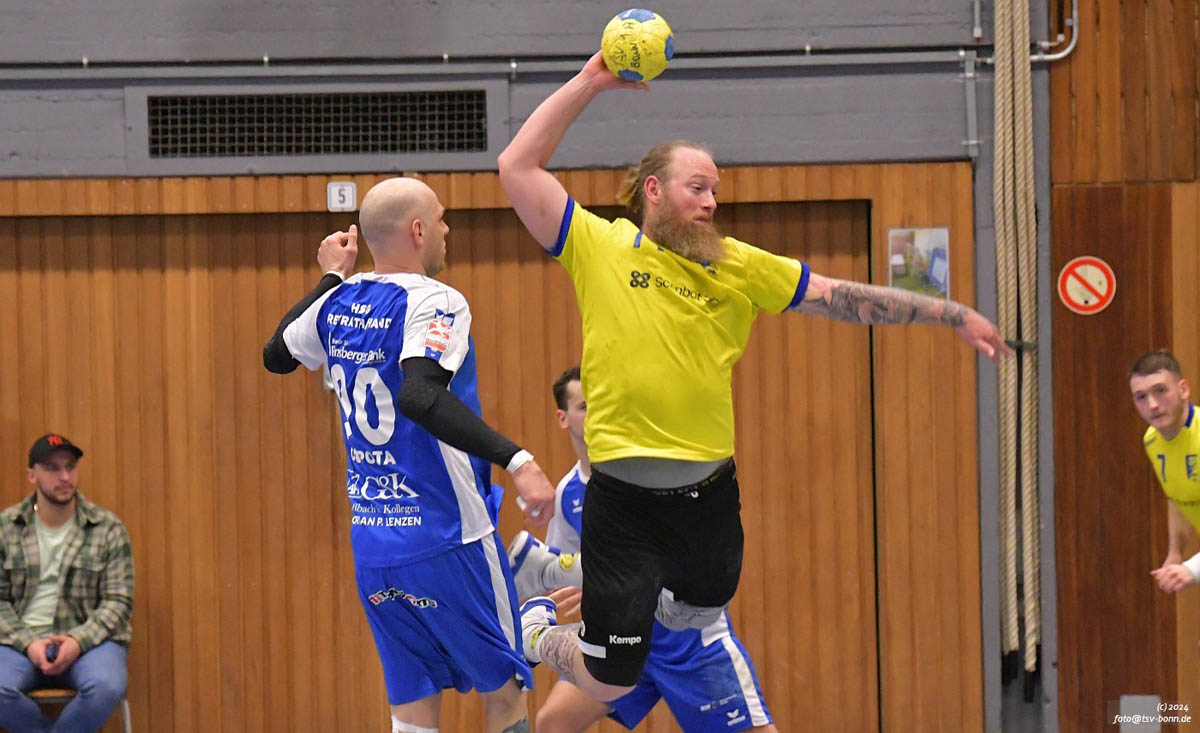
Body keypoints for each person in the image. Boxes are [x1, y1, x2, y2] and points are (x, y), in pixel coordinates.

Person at [497, 51, 1011, 701]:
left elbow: (837, 296)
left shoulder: (738, 263)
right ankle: (539, 631)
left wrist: (951, 312)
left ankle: (578, 580)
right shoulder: (599, 246)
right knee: (609, 680)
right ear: (653, 191)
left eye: (715, 190)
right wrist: (592, 81)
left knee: (696, 612)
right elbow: (516, 167)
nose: (711, 201)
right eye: (697, 187)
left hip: (706, 494)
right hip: (622, 499)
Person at [262, 177, 556, 733]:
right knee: (505, 692)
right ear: (418, 231)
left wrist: (330, 276)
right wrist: (518, 459)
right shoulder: (435, 299)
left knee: (414, 703)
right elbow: (419, 395)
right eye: (441, 219)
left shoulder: (337, 300)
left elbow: (276, 354)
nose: (447, 228)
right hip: (447, 532)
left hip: (375, 542)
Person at [510, 366, 775, 732]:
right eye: (585, 406)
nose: (595, 414)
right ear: (563, 417)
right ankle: (537, 626)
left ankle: (538, 627)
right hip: (624, 635)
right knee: (553, 722)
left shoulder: (649, 474)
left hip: (688, 644)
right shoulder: (568, 494)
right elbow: (563, 577)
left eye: (601, 403)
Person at [0, 433, 133, 733]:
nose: (64, 476)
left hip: (90, 644)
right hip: (17, 644)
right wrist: (29, 643)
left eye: (70, 466)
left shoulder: (107, 528)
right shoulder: (5, 529)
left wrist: (77, 641)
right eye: (52, 468)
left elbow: (119, 601)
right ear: (32, 475)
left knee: (106, 687)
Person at [1129, 350, 1200, 593]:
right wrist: (1176, 553)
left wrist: (1193, 569)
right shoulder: (1152, 440)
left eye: (1161, 390)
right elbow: (1179, 497)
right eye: (1141, 397)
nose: (1153, 405)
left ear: (1184, 390)